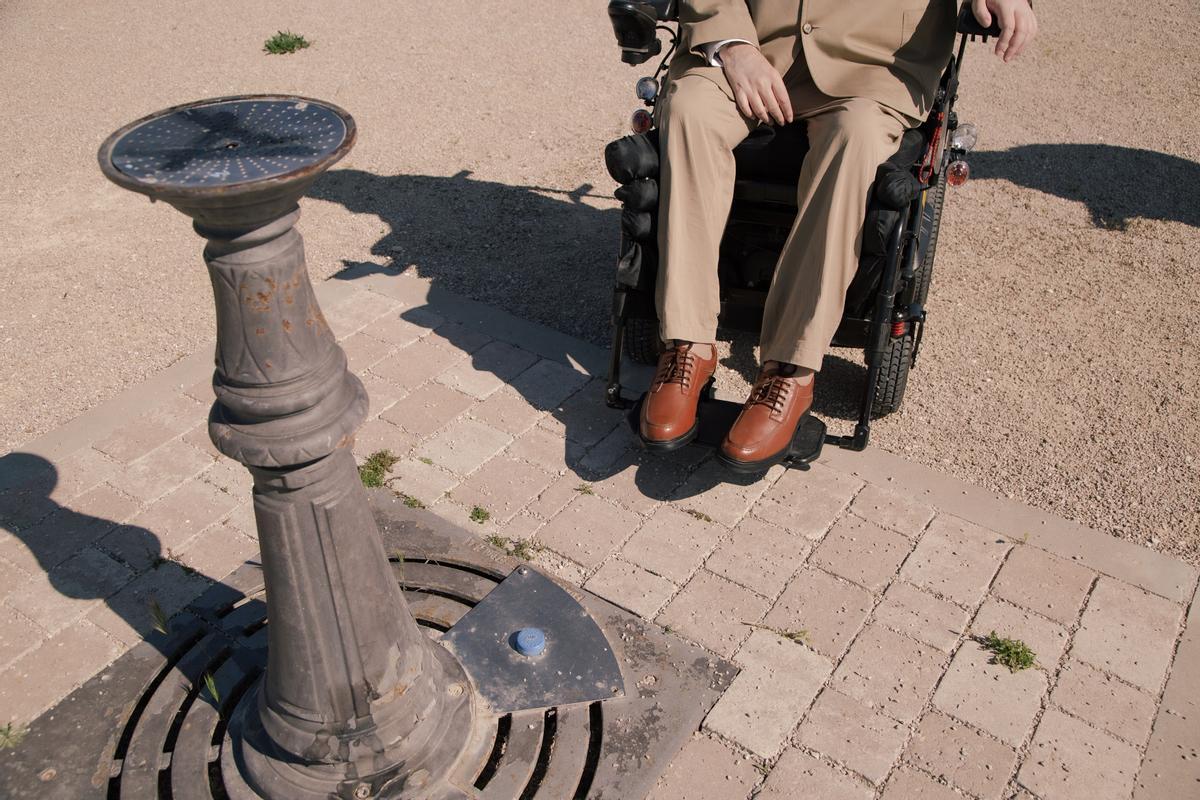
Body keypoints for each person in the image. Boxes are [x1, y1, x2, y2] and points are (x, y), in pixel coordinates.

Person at [638, 0, 1037, 470]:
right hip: (754, 45)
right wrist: (733, 45)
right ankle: (688, 345)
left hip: (873, 66)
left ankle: (790, 368)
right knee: (688, 110)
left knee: (856, 137)